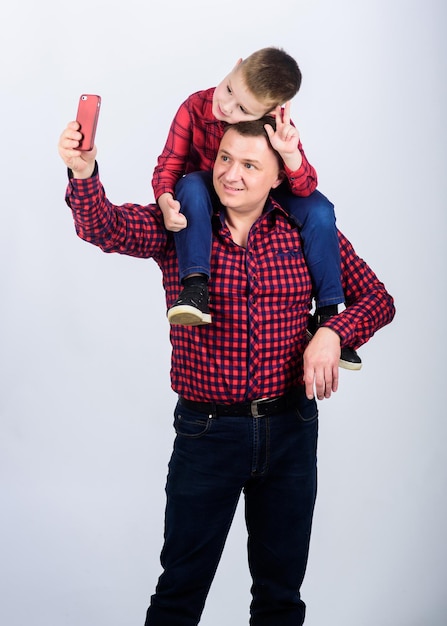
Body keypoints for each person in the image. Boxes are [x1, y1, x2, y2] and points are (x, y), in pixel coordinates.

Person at [58, 115, 395, 626]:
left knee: (281, 597)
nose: (230, 174)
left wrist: (332, 332)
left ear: (279, 175)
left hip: (291, 432)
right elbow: (105, 227)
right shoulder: (181, 222)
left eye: (250, 165)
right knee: (179, 592)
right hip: (207, 433)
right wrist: (84, 173)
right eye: (224, 159)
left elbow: (377, 299)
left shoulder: (308, 230)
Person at [152, 46, 362, 370]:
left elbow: (304, 188)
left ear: (270, 111)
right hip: (209, 190)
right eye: (229, 89)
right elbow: (169, 165)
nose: (226, 105)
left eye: (241, 109)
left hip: (261, 194)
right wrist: (165, 199)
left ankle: (327, 316)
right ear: (235, 66)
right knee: (190, 184)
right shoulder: (195, 106)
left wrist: (289, 154)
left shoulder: (277, 125)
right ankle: (195, 287)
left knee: (320, 208)